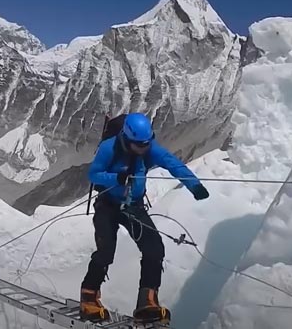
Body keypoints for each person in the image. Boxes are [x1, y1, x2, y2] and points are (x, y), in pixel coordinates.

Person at [79, 112, 210, 323]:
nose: (144, 149)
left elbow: (171, 163)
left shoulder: (147, 147)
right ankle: (89, 296)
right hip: (108, 206)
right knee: (106, 252)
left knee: (154, 249)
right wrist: (116, 178)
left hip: (133, 206)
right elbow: (93, 175)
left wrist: (194, 185)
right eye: (139, 145)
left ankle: (147, 302)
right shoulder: (109, 148)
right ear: (126, 139)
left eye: (146, 144)